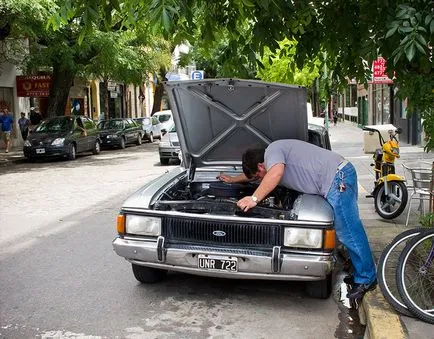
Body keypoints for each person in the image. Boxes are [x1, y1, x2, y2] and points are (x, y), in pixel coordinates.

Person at [217, 139, 377, 300]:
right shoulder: (272, 155)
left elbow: (276, 172)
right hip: (337, 176)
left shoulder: (272, 151)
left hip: (337, 178)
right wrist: (232, 179)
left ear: (260, 166)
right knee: (347, 228)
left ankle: (366, 279)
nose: (259, 181)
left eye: (258, 177)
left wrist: (254, 198)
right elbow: (256, 176)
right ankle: (360, 271)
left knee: (348, 230)